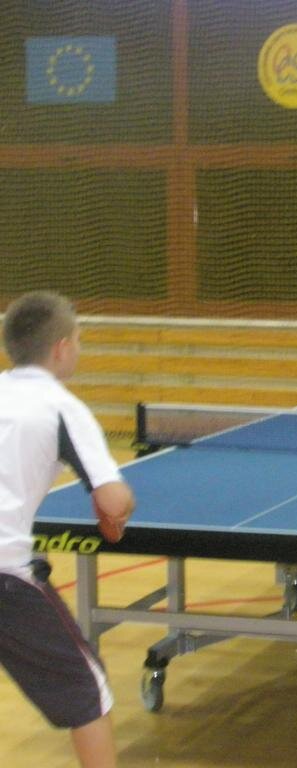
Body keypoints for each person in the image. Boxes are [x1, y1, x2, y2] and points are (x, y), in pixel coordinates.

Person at [0, 291, 135, 768]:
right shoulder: (62, 407)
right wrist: (117, 510)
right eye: (78, 339)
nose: (79, 347)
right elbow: (113, 500)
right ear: (60, 348)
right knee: (88, 690)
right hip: (5, 574)